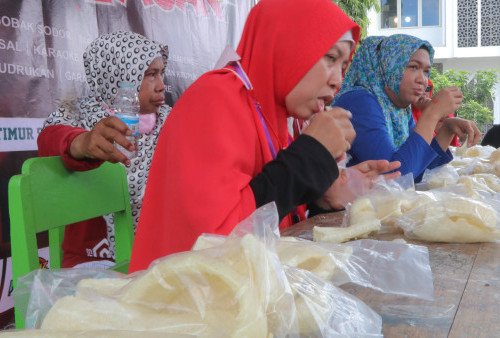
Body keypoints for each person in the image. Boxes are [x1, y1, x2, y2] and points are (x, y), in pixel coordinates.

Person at [129, 0, 401, 272]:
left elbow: (266, 208)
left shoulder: (277, 116)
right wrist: (309, 158)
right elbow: (214, 243)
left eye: (343, 66)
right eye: (330, 57)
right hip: (180, 299)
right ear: (286, 45)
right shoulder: (215, 97)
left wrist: (321, 195)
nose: (337, 80)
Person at [37, 31, 170, 268]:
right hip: (93, 261)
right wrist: (81, 143)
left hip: (157, 257)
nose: (161, 86)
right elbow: (49, 140)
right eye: (150, 74)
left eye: (161, 73)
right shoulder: (77, 116)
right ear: (120, 75)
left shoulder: (171, 121)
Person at [332, 34, 481, 181]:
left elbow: (418, 170)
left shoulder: (398, 108)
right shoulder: (359, 101)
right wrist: (432, 114)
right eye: (413, 67)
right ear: (388, 66)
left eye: (426, 71)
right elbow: (396, 176)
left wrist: (446, 130)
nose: (422, 80)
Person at [412, 79, 460, 147]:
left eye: (428, 88)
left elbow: (454, 145)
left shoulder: (437, 109)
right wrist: (429, 116)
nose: (423, 92)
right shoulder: (405, 115)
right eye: (417, 88)